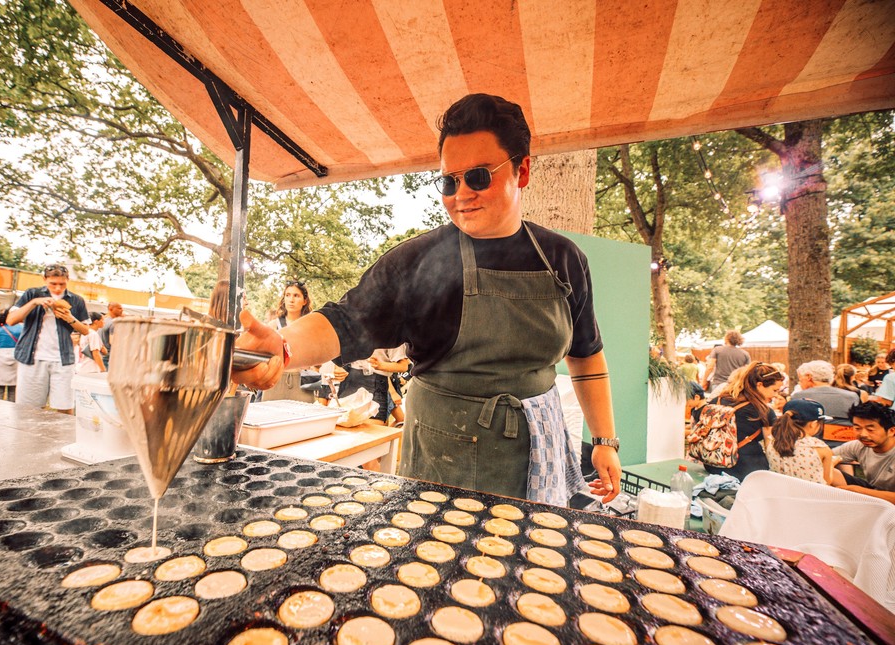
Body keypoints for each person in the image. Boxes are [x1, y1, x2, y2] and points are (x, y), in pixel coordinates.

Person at [234, 93, 621, 504]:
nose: (460, 195)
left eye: (477, 176)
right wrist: (284, 346)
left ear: (521, 171)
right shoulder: (419, 261)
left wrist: (604, 439)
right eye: (448, 181)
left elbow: (585, 353)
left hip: (536, 452)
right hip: (442, 460)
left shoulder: (563, 260)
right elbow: (346, 321)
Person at [6, 264, 91, 413]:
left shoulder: (76, 300)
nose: (58, 288)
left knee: (65, 407)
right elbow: (11, 320)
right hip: (31, 358)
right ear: (44, 279)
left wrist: (70, 318)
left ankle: (61, 436)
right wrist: (34, 303)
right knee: (29, 409)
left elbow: (85, 330)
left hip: (63, 360)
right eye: (53, 284)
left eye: (62, 284)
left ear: (68, 280)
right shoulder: (32, 294)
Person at [695, 362, 783, 481]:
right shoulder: (763, 411)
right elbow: (770, 446)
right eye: (775, 390)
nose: (776, 395)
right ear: (760, 385)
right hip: (745, 471)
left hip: (712, 463)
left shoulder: (718, 399)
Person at [261, 280, 316, 403]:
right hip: (276, 380)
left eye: (296, 296)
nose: (291, 300)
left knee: (304, 419)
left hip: (304, 381)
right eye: (288, 295)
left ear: (305, 301)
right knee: (271, 418)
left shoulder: (311, 326)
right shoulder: (273, 326)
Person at [764, 398, 840, 486]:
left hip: (781, 494)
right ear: (813, 424)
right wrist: (832, 464)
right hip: (809, 497)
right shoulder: (820, 447)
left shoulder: (772, 441)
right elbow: (827, 481)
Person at [833, 402, 895, 494]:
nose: (863, 434)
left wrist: (859, 491)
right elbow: (822, 457)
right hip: (874, 490)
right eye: (857, 428)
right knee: (828, 472)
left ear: (891, 431)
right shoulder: (858, 446)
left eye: (870, 430)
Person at [793, 360, 859, 417]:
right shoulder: (851, 397)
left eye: (800, 379)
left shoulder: (799, 397)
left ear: (808, 377)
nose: (799, 382)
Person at [99, 302, 124, 367]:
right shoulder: (114, 323)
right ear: (110, 309)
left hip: (101, 355)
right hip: (109, 357)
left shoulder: (103, 321)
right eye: (119, 308)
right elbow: (112, 341)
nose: (122, 310)